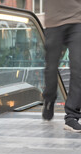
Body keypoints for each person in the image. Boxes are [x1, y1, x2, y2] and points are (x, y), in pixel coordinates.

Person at [42, 0, 81, 132]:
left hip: (77, 19)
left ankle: (72, 116)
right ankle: (49, 97)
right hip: (54, 22)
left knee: (79, 67)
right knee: (51, 68)